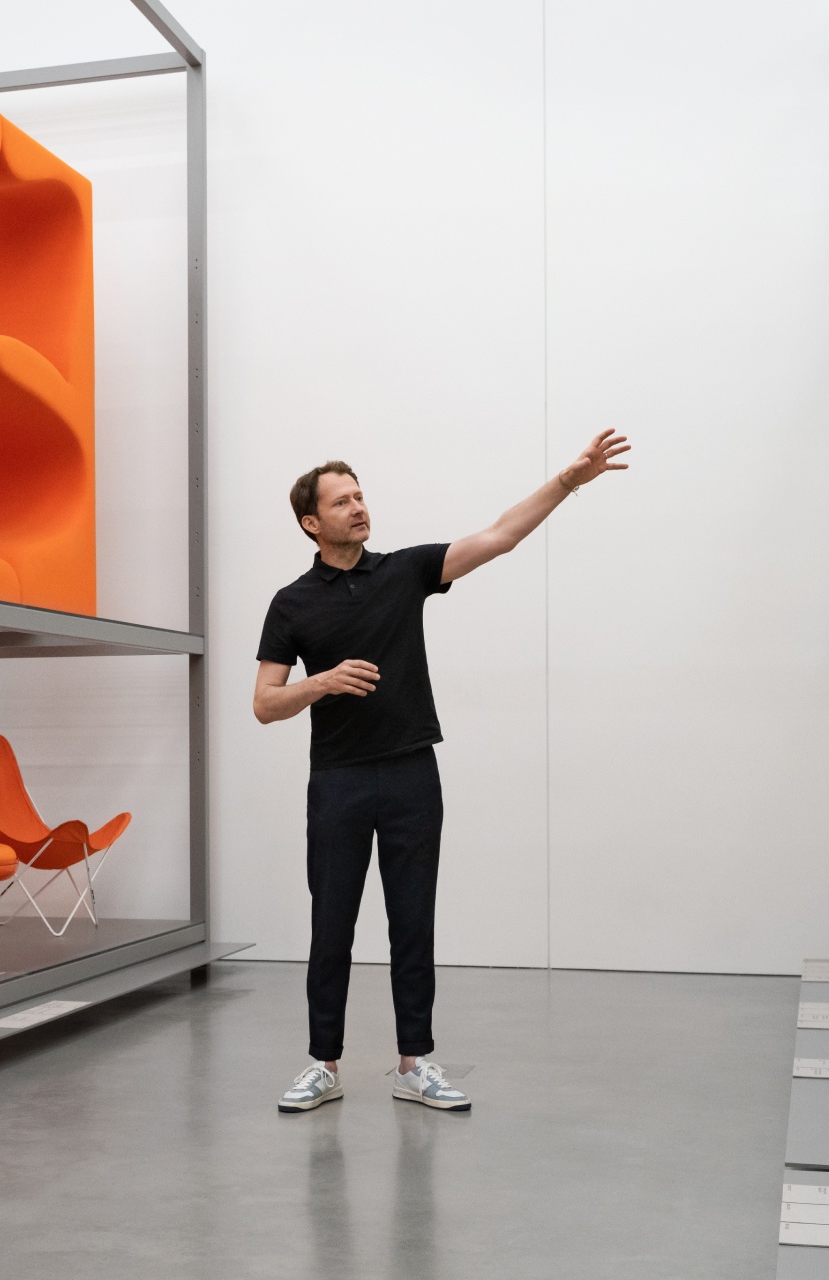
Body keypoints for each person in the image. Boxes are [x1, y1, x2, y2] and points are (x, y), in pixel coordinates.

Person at [254, 430, 632, 1113]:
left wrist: (567, 483)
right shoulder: (292, 603)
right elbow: (263, 704)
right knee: (331, 924)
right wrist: (323, 683)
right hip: (337, 781)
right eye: (343, 501)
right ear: (312, 522)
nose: (359, 508)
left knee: (412, 921)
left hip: (410, 775)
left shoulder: (403, 572)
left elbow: (499, 537)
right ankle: (323, 1064)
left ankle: (414, 1063)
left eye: (361, 496)